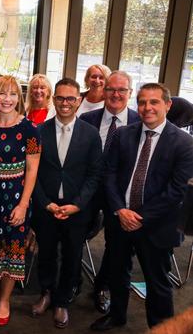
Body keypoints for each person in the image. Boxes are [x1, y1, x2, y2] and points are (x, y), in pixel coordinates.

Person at [90, 83, 193, 331]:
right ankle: (117, 315)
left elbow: (175, 191)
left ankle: (160, 327)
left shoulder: (184, 143)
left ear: (168, 105)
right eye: (143, 102)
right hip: (120, 219)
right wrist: (119, 210)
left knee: (157, 282)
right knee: (117, 271)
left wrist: (139, 217)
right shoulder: (124, 134)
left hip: (156, 225)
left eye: (154, 102)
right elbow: (109, 174)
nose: (147, 107)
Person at [30, 78, 102, 328]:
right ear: (53, 99)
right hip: (46, 208)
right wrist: (45, 203)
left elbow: (95, 175)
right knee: (46, 254)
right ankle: (46, 293)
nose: (65, 103)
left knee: (72, 257)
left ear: (79, 100)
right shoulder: (37, 131)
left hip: (76, 210)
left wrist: (78, 205)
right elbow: (32, 173)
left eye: (71, 98)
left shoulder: (91, 135)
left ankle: (62, 301)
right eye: (60, 98)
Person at [80, 70, 141, 315]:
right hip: (89, 191)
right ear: (103, 91)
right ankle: (72, 282)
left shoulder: (139, 123)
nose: (115, 94)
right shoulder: (87, 120)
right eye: (111, 89)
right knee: (75, 236)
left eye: (121, 90)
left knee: (117, 246)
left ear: (129, 93)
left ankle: (102, 285)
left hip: (120, 195)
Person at [0, 75, 41, 326]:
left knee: (12, 251)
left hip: (17, 198)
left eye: (13, 94)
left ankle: (5, 298)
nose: (7, 99)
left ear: (20, 98)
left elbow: (32, 169)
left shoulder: (29, 129)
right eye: (2, 94)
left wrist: (23, 204)